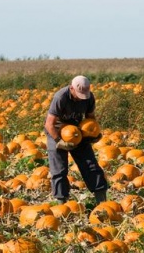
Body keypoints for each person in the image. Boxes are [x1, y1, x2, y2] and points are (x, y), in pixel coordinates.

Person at [44, 75, 108, 205]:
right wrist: (58, 141)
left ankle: (102, 202)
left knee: (91, 165)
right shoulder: (60, 97)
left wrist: (93, 134)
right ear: (71, 88)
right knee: (59, 170)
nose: (81, 97)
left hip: (77, 132)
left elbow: (90, 118)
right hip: (57, 132)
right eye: (78, 94)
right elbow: (49, 124)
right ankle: (62, 204)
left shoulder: (89, 98)